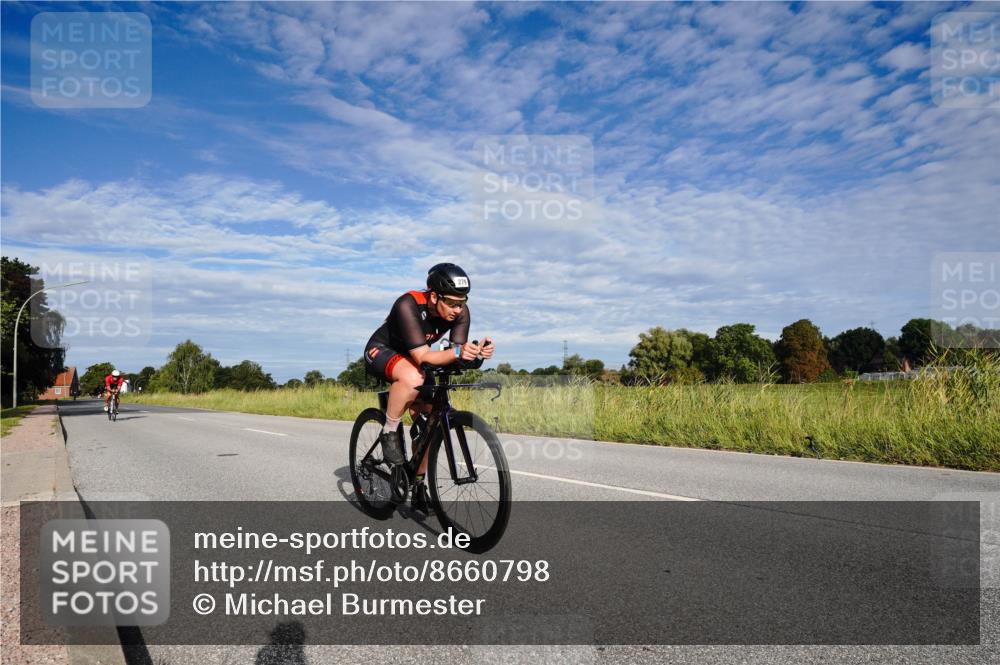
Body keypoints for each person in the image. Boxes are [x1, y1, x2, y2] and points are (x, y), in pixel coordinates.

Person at [363, 263, 494, 509]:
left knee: (430, 425)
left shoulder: (461, 312)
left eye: (462, 302)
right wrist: (458, 351)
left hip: (416, 357)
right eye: (452, 303)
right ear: (434, 296)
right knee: (413, 377)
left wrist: (476, 355)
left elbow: (453, 355)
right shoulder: (408, 304)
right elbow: (423, 358)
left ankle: (418, 483)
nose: (458, 310)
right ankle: (389, 431)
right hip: (383, 350)